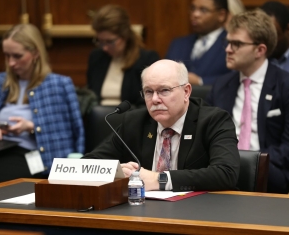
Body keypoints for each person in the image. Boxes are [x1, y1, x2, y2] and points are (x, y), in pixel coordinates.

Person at [83, 59, 240, 191]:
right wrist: (117, 172)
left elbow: (226, 173)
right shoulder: (134, 122)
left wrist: (159, 179)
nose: (155, 99)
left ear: (186, 92)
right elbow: (88, 163)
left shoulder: (214, 120)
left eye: (164, 90)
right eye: (148, 92)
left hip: (198, 212)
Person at [207, 9, 289, 194]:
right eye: (228, 42)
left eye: (236, 44)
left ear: (260, 50)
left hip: (270, 171)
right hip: (223, 169)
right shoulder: (221, 86)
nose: (228, 49)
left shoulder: (288, 86)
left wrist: (249, 161)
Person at [0, 24, 85, 188]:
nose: (11, 63)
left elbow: (74, 132)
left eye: (17, 56)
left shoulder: (59, 85)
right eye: (7, 56)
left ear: (35, 53)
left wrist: (30, 127)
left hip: (34, 154)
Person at [87, 5, 160, 106]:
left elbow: (147, 103)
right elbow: (91, 96)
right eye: (100, 41)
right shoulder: (96, 57)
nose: (105, 48)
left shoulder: (146, 59)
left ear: (125, 36)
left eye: (110, 41)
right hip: (97, 119)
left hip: (130, 120)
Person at [166, 0, 230, 85]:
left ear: (221, 15)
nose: (195, 14)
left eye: (203, 10)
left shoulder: (232, 44)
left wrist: (201, 82)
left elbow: (237, 78)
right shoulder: (178, 44)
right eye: (193, 8)